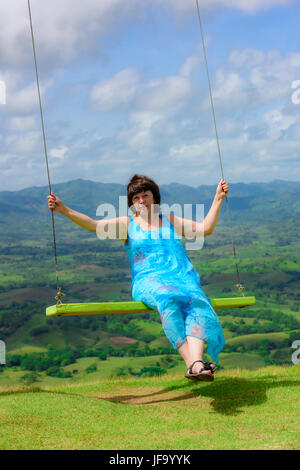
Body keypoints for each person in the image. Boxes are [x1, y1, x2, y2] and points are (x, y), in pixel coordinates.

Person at [48, 174, 229, 381]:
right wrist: (64, 209)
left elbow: (205, 229)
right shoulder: (127, 224)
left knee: (197, 302)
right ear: (131, 203)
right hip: (149, 282)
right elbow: (93, 224)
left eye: (145, 195)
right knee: (167, 298)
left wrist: (218, 198)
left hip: (182, 280)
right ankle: (193, 363)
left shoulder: (169, 220)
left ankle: (196, 364)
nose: (141, 201)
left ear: (155, 197)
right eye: (136, 198)